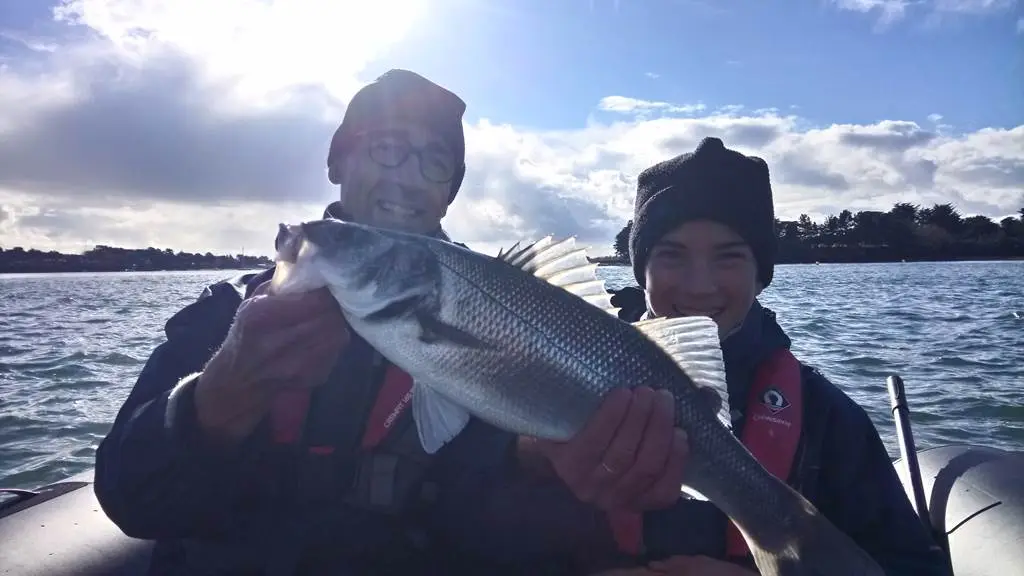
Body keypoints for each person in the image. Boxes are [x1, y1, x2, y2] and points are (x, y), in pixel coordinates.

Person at [92, 68, 686, 575]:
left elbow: (499, 526)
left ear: (449, 194)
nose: (405, 176)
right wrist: (217, 399)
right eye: (384, 148)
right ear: (338, 160)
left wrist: (546, 466)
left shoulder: (505, 323)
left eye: (435, 162)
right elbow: (129, 501)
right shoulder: (225, 320)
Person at [565, 136, 952, 575]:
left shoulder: (827, 418)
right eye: (671, 256)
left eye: (728, 259)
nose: (699, 285)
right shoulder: (554, 372)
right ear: (642, 268)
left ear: (761, 275)